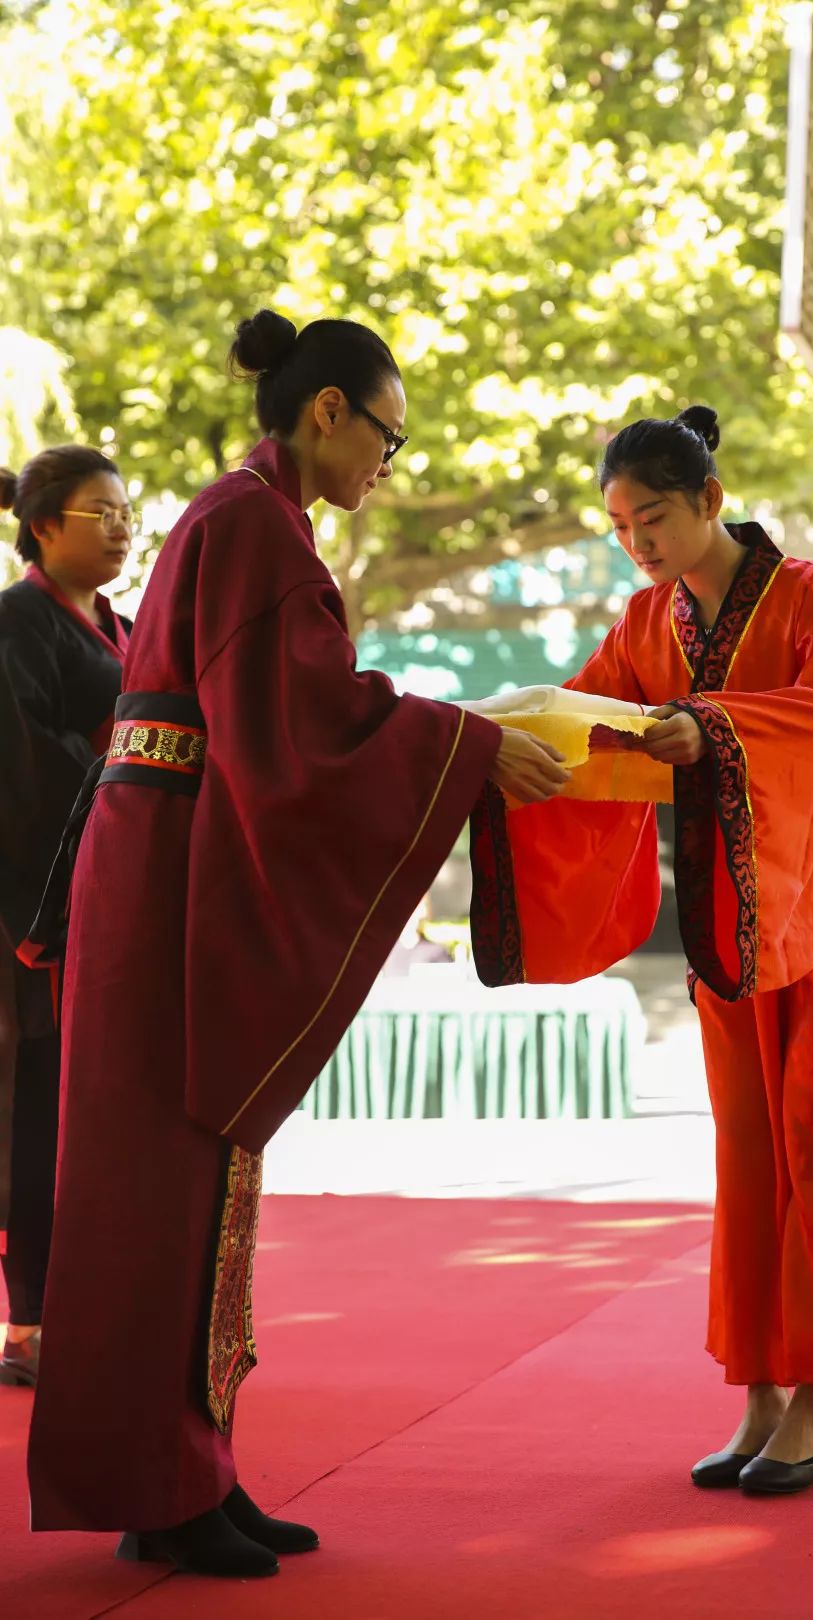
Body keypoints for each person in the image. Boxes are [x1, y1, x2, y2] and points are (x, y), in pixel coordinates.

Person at [26, 309, 569, 1577]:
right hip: (167, 874)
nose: (390, 459)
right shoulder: (252, 526)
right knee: (157, 1185)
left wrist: (461, 734)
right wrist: (471, 746)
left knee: (196, 1183)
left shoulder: (248, 520)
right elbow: (304, 725)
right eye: (388, 431)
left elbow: (293, 722)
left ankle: (192, 1466)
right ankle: (156, 1485)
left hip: (171, 859)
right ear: (327, 411)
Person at [470, 407, 813, 1496]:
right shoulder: (650, 617)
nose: (637, 542)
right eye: (618, 524)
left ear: (707, 499)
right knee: (747, 1134)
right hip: (734, 892)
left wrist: (715, 728)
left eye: (651, 515)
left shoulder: (809, 596)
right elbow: (594, 707)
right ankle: (758, 1388)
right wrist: (505, 731)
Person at [0, 446, 134, 1389]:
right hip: (29, 907)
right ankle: (30, 1321)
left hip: (106, 894)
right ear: (44, 526)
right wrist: (120, 772)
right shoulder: (18, 622)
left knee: (88, 1112)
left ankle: (87, 1304)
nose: (122, 526)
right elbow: (22, 767)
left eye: (127, 510)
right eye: (100, 512)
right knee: (30, 1107)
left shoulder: (122, 625)